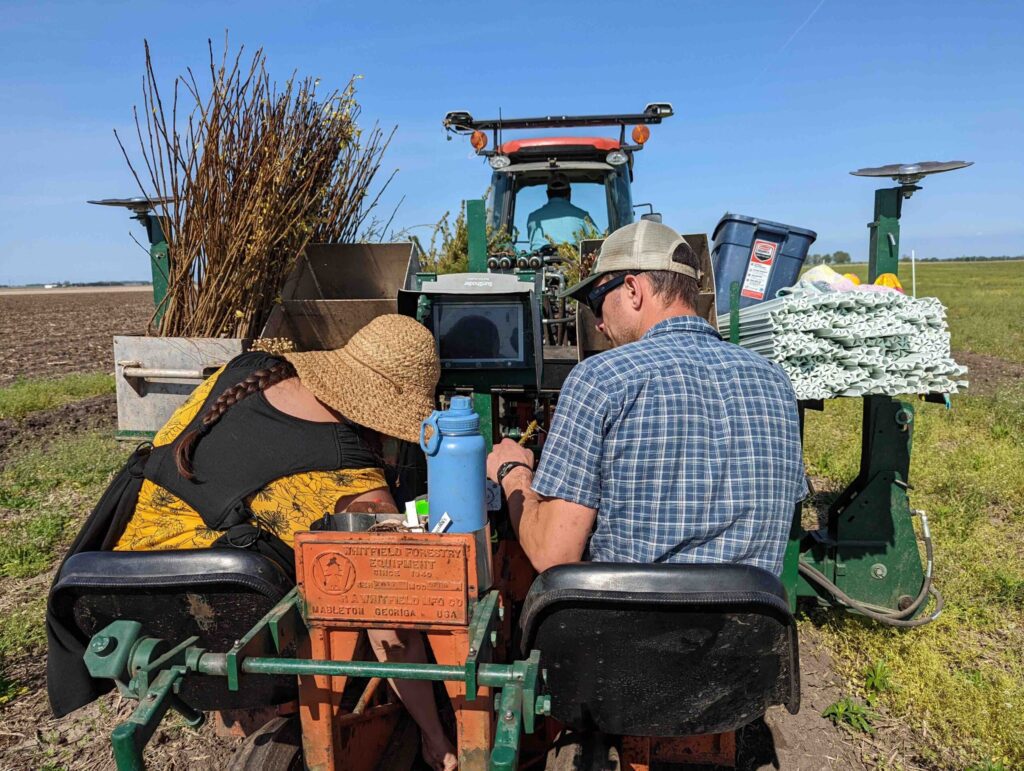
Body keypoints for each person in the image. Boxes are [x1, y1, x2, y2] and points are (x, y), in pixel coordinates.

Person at [51, 315, 457, 771]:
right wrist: (435, 736)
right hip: (226, 613)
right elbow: (393, 634)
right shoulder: (350, 475)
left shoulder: (246, 370)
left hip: (125, 587)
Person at [486, 220, 806, 575]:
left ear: (633, 290)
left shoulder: (601, 378)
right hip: (749, 625)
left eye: (596, 302)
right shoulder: (776, 381)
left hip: (628, 625)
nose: (598, 324)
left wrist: (513, 472)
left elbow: (553, 555)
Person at [526, 173, 596, 251]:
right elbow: (599, 243)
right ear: (569, 192)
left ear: (547, 194)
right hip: (573, 262)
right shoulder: (582, 216)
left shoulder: (533, 218)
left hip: (539, 262)